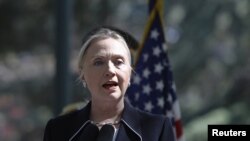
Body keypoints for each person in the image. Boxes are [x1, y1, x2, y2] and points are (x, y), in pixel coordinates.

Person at [43, 26, 176, 141]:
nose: (110, 71)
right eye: (98, 62)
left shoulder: (158, 129)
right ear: (82, 74)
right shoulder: (57, 130)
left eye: (118, 62)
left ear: (130, 74)